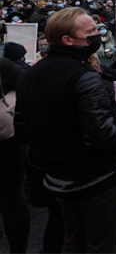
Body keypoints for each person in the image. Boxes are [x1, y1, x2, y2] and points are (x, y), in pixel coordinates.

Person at [13, 7, 116, 253]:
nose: (97, 34)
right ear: (67, 40)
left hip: (56, 179)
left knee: (72, 240)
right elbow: (106, 137)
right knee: (103, 244)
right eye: (91, 31)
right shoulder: (86, 78)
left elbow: (22, 131)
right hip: (95, 181)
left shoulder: (30, 74)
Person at [0, 58, 27, 253]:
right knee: (11, 197)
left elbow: (28, 83)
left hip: (7, 144)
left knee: (11, 196)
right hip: (8, 142)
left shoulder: (3, 66)